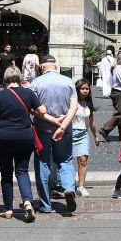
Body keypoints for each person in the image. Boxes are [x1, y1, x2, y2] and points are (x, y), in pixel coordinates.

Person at [0, 66, 64, 221]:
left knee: (6, 173)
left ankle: (8, 209)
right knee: (22, 170)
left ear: (5, 80)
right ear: (20, 79)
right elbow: (43, 110)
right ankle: (27, 202)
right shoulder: (28, 93)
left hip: (3, 137)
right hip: (25, 137)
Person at [30, 55, 79, 214]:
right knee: (65, 160)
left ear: (42, 67)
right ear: (55, 66)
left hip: (42, 130)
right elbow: (74, 108)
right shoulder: (68, 82)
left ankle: (45, 204)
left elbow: (33, 109)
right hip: (64, 130)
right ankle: (69, 188)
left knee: (42, 163)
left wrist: (52, 120)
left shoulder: (36, 83)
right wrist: (62, 126)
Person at [71, 79, 101, 197]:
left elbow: (91, 122)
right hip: (70, 133)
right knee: (68, 161)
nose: (85, 91)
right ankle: (68, 184)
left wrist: (96, 135)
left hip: (83, 134)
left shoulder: (88, 104)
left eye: (87, 89)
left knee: (83, 160)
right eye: (82, 89)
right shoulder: (72, 102)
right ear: (77, 90)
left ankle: (81, 186)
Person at [100, 54, 121, 141]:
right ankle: (105, 129)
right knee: (120, 114)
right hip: (119, 92)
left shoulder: (118, 67)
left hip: (117, 92)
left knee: (120, 114)